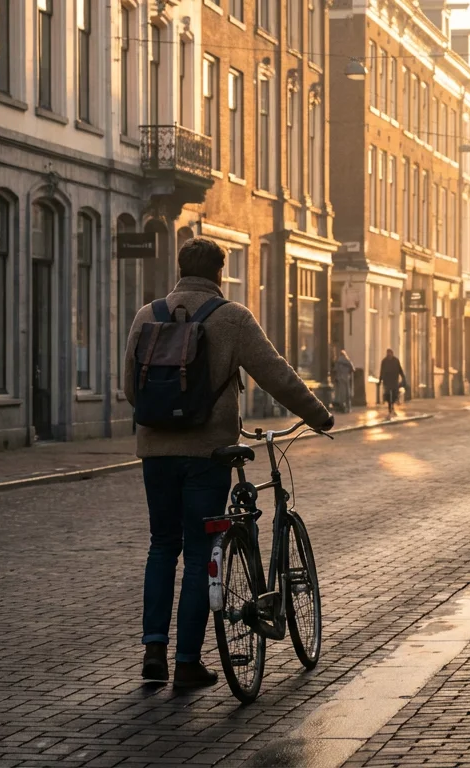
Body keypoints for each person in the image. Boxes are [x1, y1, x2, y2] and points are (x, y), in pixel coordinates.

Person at [123, 237, 334, 688]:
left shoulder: (147, 315)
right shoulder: (232, 318)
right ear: (220, 272)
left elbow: (129, 387)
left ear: (180, 268)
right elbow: (278, 375)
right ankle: (186, 663)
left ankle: (154, 652)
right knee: (201, 555)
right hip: (207, 455)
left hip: (155, 453)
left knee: (162, 546)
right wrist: (319, 415)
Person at [378, 349, 406, 418]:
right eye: (388, 354)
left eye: (390, 353)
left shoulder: (396, 361)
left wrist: (403, 377)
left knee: (393, 395)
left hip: (394, 381)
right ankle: (390, 408)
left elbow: (400, 369)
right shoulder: (384, 361)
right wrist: (380, 380)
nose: (389, 355)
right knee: (388, 395)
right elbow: (382, 371)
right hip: (387, 381)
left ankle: (392, 406)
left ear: (392, 354)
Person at [332, 349, 355, 414]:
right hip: (346, 379)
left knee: (340, 394)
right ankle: (348, 408)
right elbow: (352, 369)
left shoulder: (338, 361)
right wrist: (348, 373)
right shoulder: (348, 361)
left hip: (340, 379)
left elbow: (335, 370)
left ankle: (342, 407)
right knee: (347, 394)